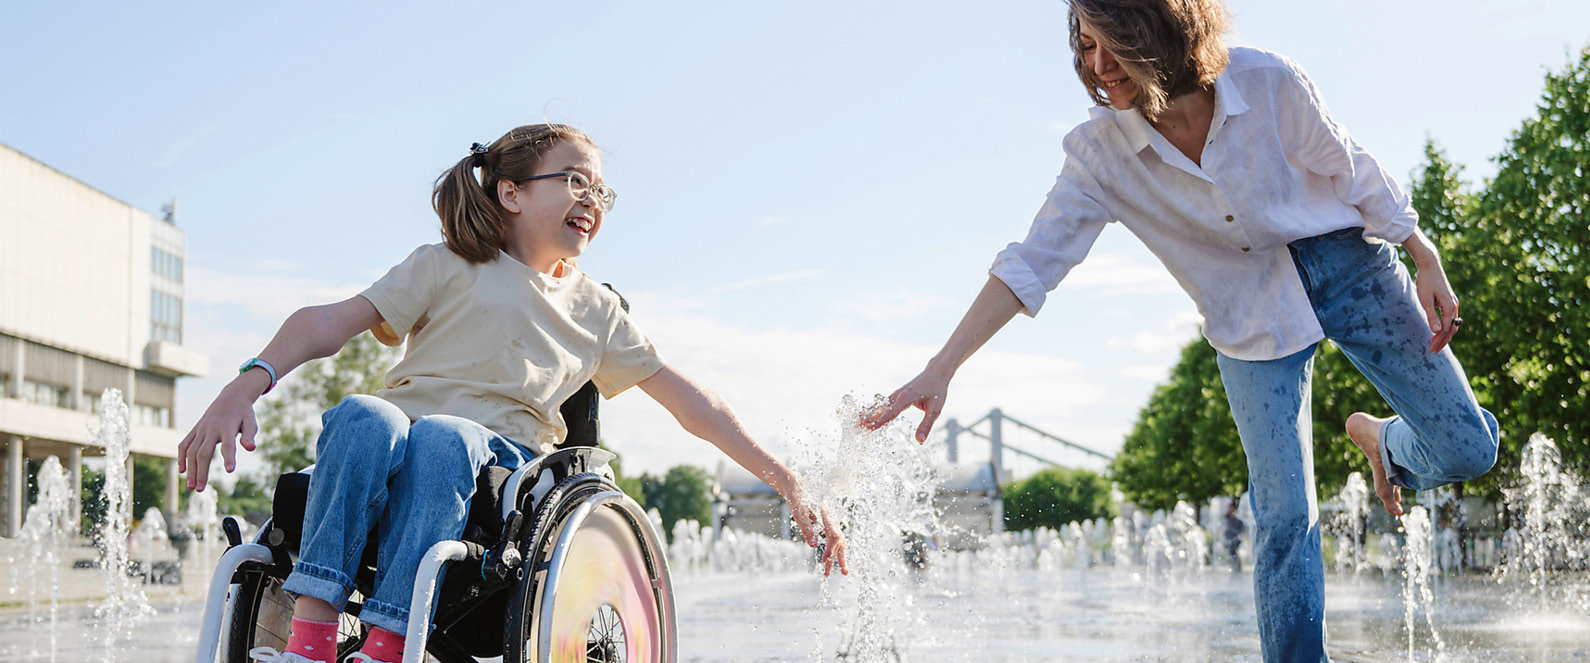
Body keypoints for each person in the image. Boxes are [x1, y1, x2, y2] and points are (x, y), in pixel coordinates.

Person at [859, 1, 1498, 660]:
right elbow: (1031, 263)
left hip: (1346, 260)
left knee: (1470, 450)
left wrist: (1424, 252)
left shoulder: (1267, 82)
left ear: (1160, 30)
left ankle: (1385, 440)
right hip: (1247, 315)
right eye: (1085, 49)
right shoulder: (1100, 155)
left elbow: (1351, 167)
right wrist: (942, 367)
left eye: (1114, 46)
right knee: (1284, 515)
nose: (1099, 68)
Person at [178, 123, 848, 663]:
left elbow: (692, 403)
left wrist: (785, 478)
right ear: (511, 193)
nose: (593, 198)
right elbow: (325, 321)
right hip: (391, 442)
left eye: (603, 193)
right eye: (576, 180)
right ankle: (312, 639)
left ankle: (386, 647)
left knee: (446, 435)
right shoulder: (446, 263)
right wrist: (245, 383)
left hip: (495, 468)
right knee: (362, 414)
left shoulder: (596, 310)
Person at [1223, 498, 1246, 572]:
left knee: (1234, 553)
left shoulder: (1237, 518)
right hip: (1228, 538)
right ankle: (1234, 569)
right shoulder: (1227, 517)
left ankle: (1237, 569)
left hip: (1235, 539)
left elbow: (1242, 528)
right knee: (1231, 553)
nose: (1229, 509)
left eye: (1231, 507)